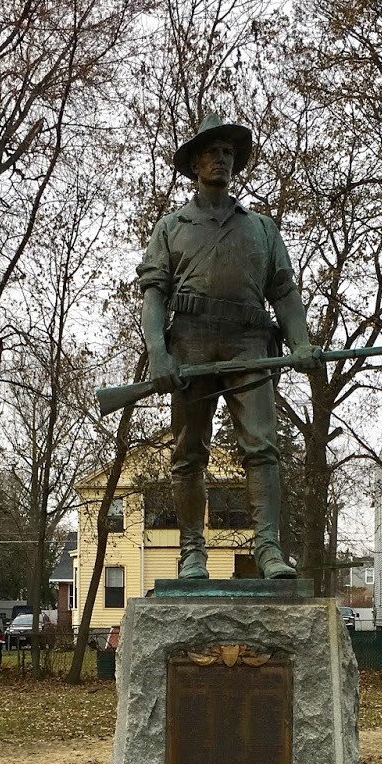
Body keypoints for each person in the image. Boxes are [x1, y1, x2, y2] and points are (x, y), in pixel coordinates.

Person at [136, 113, 317, 580]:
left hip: (250, 342)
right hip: (191, 341)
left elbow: (285, 291)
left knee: (262, 447)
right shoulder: (171, 227)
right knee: (188, 452)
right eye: (213, 151)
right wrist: (158, 351)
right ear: (195, 163)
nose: (221, 158)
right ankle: (192, 551)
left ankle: (268, 549)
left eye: (229, 152)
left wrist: (299, 342)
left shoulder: (261, 228)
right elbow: (153, 292)